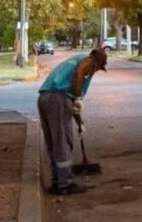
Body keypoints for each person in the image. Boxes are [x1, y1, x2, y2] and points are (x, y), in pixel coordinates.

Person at [37, 48, 108, 195]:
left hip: (46, 98)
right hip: (58, 99)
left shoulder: (76, 59)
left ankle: (57, 182)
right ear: (98, 62)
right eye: (100, 68)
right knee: (63, 141)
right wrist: (78, 98)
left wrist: (78, 119)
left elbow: (72, 100)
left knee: (54, 142)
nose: (96, 71)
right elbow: (78, 74)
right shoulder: (89, 61)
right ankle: (65, 185)